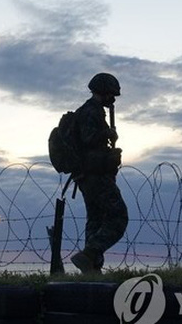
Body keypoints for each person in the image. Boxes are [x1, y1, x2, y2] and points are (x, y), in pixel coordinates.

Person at [70, 73, 129, 274]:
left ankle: (92, 268)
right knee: (118, 216)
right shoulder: (90, 111)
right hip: (95, 175)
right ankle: (89, 254)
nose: (113, 99)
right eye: (111, 94)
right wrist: (108, 134)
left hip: (90, 175)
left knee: (96, 219)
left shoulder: (92, 111)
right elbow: (89, 139)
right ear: (103, 91)